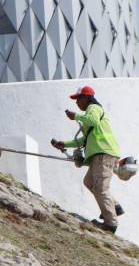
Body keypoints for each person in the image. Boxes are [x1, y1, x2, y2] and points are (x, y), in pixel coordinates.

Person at [52, 85, 124, 233]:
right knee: (89, 182)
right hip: (101, 154)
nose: (77, 102)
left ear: (87, 98)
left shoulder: (94, 108)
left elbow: (93, 121)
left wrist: (76, 116)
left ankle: (111, 223)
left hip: (104, 153)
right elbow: (84, 140)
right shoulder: (89, 116)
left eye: (79, 99)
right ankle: (115, 207)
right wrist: (64, 144)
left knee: (100, 188)